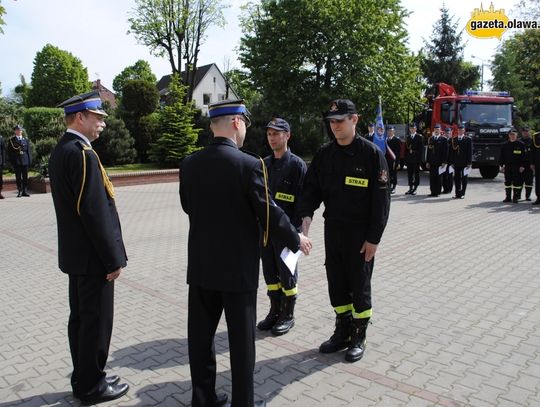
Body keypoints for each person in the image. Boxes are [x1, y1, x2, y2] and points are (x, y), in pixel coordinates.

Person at [179, 99, 311, 407]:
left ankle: (203, 399)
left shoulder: (190, 163)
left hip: (200, 267)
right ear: (237, 122)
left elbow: (188, 206)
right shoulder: (250, 164)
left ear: (214, 125)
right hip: (237, 270)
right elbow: (267, 214)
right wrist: (295, 237)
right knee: (241, 344)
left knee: (200, 340)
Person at [48, 91, 129, 405]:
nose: (102, 124)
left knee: (81, 320)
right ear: (80, 117)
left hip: (76, 256)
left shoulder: (62, 149)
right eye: (98, 118)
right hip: (94, 259)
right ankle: (92, 385)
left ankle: (84, 377)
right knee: (95, 322)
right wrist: (112, 259)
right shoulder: (82, 153)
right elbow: (94, 213)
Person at [299, 99, 390, 363]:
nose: (335, 126)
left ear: (355, 120)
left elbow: (381, 202)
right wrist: (306, 216)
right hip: (334, 230)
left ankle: (359, 335)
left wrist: (374, 238)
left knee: (359, 285)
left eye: (340, 120)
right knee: (336, 282)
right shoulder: (325, 155)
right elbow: (311, 189)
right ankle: (342, 331)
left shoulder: (372, 155)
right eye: (332, 121)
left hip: (361, 235)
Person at [257, 117, 307, 336]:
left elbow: (304, 203)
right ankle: (274, 311)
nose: (272, 138)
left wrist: (299, 233)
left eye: (276, 134)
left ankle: (288, 314)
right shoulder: (264, 164)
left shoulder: (297, 165)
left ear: (287, 136)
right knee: (270, 274)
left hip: (288, 231)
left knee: (287, 276)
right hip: (266, 231)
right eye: (269, 134)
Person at [499, 128, 527, 203]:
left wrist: (522, 166)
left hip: (517, 167)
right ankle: (508, 197)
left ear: (516, 135)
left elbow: (524, 156)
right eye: (511, 135)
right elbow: (501, 156)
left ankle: (516, 197)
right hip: (507, 166)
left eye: (513, 135)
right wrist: (501, 166)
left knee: (517, 182)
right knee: (507, 182)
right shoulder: (504, 145)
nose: (512, 136)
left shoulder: (521, 144)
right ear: (508, 135)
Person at [448, 124, 472, 199]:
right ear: (457, 131)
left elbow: (469, 152)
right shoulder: (454, 139)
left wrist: (469, 163)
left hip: (465, 163)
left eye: (462, 130)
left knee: (464, 178)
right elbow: (452, 152)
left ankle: (463, 193)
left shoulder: (468, 139)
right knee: (457, 178)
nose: (460, 131)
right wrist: (452, 162)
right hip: (456, 162)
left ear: (464, 131)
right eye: (459, 130)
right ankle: (457, 193)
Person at [7, 124, 32, 197]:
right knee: (18, 177)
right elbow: (9, 152)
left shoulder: (26, 139)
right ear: (15, 131)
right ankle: (19, 191)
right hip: (17, 161)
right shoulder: (12, 140)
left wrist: (29, 160)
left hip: (25, 160)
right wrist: (12, 161)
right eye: (17, 130)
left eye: (20, 130)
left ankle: (25, 191)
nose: (19, 131)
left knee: (25, 176)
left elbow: (28, 151)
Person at [425, 124, 448, 197]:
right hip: (432, 161)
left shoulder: (443, 139)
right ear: (434, 130)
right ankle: (432, 191)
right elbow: (428, 151)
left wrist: (444, 162)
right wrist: (427, 161)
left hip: (439, 162)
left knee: (439, 177)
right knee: (432, 177)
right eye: (435, 129)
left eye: (438, 129)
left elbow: (445, 152)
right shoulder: (431, 138)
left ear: (440, 130)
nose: (436, 131)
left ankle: (437, 191)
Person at [404, 122, 423, 195]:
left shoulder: (419, 137)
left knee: (416, 174)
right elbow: (406, 150)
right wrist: (406, 159)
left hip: (416, 159)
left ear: (416, 129)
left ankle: (415, 188)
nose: (412, 129)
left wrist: (418, 158)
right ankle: (410, 187)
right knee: (410, 174)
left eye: (413, 128)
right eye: (411, 128)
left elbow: (421, 150)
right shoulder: (408, 137)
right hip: (409, 159)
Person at [386, 125, 401, 194]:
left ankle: (394, 186)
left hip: (393, 159)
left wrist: (397, 162)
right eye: (388, 131)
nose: (390, 132)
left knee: (394, 173)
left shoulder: (397, 140)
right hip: (386, 159)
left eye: (391, 131)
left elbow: (398, 153)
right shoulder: (385, 140)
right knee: (387, 173)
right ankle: (388, 186)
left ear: (394, 131)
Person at [520, 127, 534, 201]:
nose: (525, 133)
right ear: (522, 132)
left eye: (527, 131)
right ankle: (517, 196)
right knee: (519, 181)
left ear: (529, 132)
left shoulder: (533, 141)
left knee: (529, 181)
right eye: (524, 131)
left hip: (529, 165)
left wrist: (533, 164)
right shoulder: (518, 141)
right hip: (520, 165)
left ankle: (527, 196)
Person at [441, 127, 454, 194]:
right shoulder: (443, 140)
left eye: (448, 133)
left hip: (450, 161)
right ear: (444, 133)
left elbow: (454, 153)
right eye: (446, 133)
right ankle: (445, 189)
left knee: (450, 176)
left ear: (450, 133)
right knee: (444, 175)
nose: (447, 134)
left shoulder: (453, 141)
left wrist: (453, 162)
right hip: (444, 161)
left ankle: (449, 189)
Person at [531, 130, 540, 205]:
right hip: (538, 162)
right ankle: (539, 198)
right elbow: (532, 151)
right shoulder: (536, 136)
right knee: (538, 181)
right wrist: (532, 163)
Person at [0, 134, 5, 199]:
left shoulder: (1, 138)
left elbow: (3, 151)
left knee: (0, 178)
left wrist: (3, 161)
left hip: (0, 162)